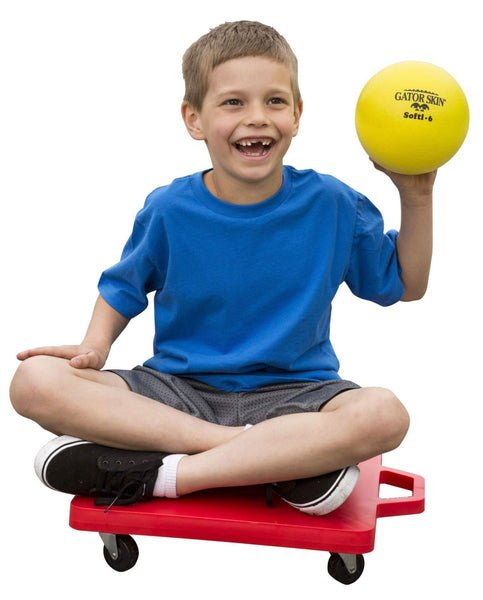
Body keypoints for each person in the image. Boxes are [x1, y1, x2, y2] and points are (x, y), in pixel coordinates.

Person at [10, 21, 433, 516]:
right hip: (176, 393)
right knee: (34, 380)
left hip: (297, 396)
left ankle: (170, 476)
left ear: (297, 115)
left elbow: (406, 285)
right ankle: (274, 458)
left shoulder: (335, 203)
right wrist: (95, 346)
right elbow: (123, 287)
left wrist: (417, 195)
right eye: (234, 102)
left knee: (384, 414)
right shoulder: (169, 208)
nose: (257, 118)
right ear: (194, 119)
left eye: (275, 102)